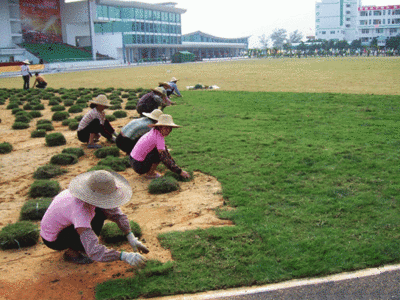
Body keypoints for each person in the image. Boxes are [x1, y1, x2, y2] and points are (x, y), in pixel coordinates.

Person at [40, 170, 148, 266]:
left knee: (102, 211)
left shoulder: (89, 194)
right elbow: (94, 252)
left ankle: (81, 244)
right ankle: (71, 253)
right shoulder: (80, 211)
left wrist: (130, 236)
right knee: (96, 220)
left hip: (64, 225)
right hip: (54, 239)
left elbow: (116, 214)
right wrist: (123, 256)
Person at [130, 114, 190, 180]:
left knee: (161, 151)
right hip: (138, 166)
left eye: (170, 128)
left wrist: (176, 166)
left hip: (132, 160)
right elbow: (164, 158)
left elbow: (166, 152)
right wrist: (179, 172)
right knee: (158, 154)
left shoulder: (154, 131)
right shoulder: (159, 138)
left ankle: (149, 171)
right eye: (166, 128)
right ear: (160, 127)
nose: (168, 131)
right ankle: (150, 174)